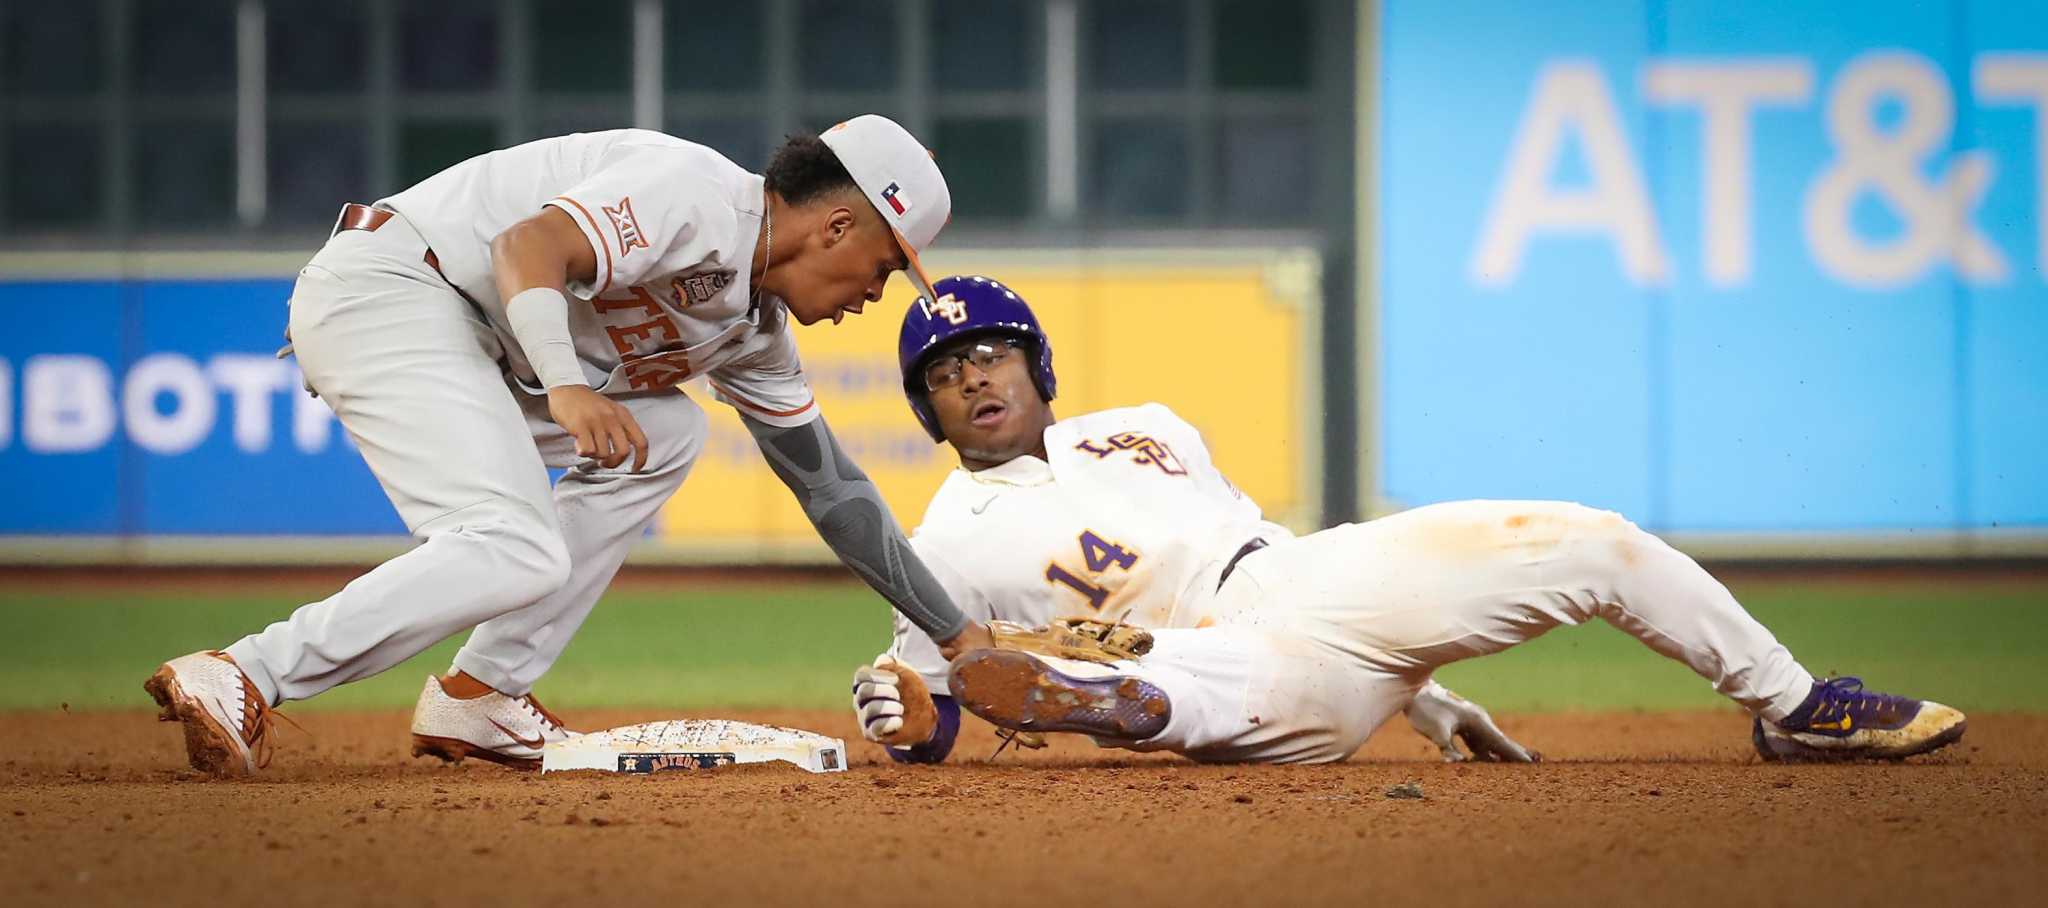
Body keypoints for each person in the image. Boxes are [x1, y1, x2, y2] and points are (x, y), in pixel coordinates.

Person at [145, 116, 993, 777]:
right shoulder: (698, 194)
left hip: (477, 339)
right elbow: (528, 246)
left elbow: (830, 489)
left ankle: (482, 693)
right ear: (839, 225)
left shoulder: (753, 331)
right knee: (512, 545)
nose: (876, 294)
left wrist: (958, 638)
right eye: (886, 267)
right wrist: (568, 383)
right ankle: (246, 671)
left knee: (668, 431)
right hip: (398, 287)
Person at [849, 274, 1967, 765]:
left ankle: (1793, 703)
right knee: (1158, 681)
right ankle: (1098, 695)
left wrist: (1420, 691)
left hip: (1307, 582)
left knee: (1590, 539)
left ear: (1035, 363)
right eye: (945, 373)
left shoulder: (1145, 423)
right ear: (929, 411)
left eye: (992, 352)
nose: (975, 377)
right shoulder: (938, 545)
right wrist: (903, 714)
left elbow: (1269, 561)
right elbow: (939, 712)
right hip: (1220, 668)